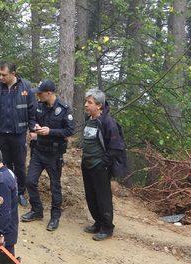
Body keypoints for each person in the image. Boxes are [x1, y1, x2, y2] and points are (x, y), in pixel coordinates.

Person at [21, 80, 74, 231]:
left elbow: (70, 130)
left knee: (55, 186)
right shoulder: (39, 107)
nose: (37, 95)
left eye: (40, 93)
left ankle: (55, 217)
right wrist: (34, 128)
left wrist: (50, 131)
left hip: (54, 154)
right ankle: (37, 210)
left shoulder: (64, 109)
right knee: (30, 181)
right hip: (38, 151)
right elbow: (32, 121)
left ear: (49, 93)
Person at [0, 62, 37, 206]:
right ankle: (4, 190)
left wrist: (32, 130)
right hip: (0, 132)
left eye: (4, 75)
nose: (1, 77)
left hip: (18, 133)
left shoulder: (25, 87)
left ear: (13, 73)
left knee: (19, 165)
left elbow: (32, 110)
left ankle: (19, 192)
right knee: (3, 164)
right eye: (0, 74)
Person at [81, 88, 126, 241]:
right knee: (91, 196)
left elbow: (117, 148)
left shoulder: (108, 122)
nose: (86, 105)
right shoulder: (89, 119)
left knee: (103, 197)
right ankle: (98, 222)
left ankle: (107, 228)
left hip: (100, 167)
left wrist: (103, 163)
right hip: (87, 165)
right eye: (86, 102)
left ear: (99, 105)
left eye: (90, 102)